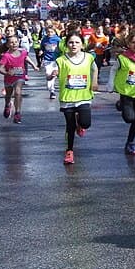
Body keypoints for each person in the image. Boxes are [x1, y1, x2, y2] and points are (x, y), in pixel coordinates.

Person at [56, 33, 99, 165]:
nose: (73, 45)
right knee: (70, 126)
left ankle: (80, 124)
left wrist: (94, 82)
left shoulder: (89, 57)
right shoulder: (61, 59)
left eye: (76, 42)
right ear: (66, 45)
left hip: (83, 96)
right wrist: (51, 74)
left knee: (86, 123)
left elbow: (94, 69)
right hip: (68, 97)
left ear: (82, 44)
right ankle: (69, 151)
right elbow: (53, 71)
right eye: (71, 42)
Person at [0, 33, 37, 124]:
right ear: (7, 45)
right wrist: (7, 73)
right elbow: (0, 69)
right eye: (11, 42)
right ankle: (7, 105)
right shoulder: (6, 56)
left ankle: (17, 113)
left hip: (20, 77)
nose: (14, 44)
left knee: (18, 92)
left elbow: (26, 58)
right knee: (8, 95)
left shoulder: (23, 52)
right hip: (9, 78)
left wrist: (34, 65)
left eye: (16, 42)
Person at [40, 25, 62, 99]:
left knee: (54, 75)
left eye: (51, 32)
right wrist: (41, 51)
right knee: (48, 74)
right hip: (47, 60)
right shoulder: (44, 39)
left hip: (56, 60)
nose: (50, 33)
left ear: (54, 32)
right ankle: (51, 90)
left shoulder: (58, 39)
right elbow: (42, 47)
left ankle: (54, 91)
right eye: (48, 32)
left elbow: (61, 48)